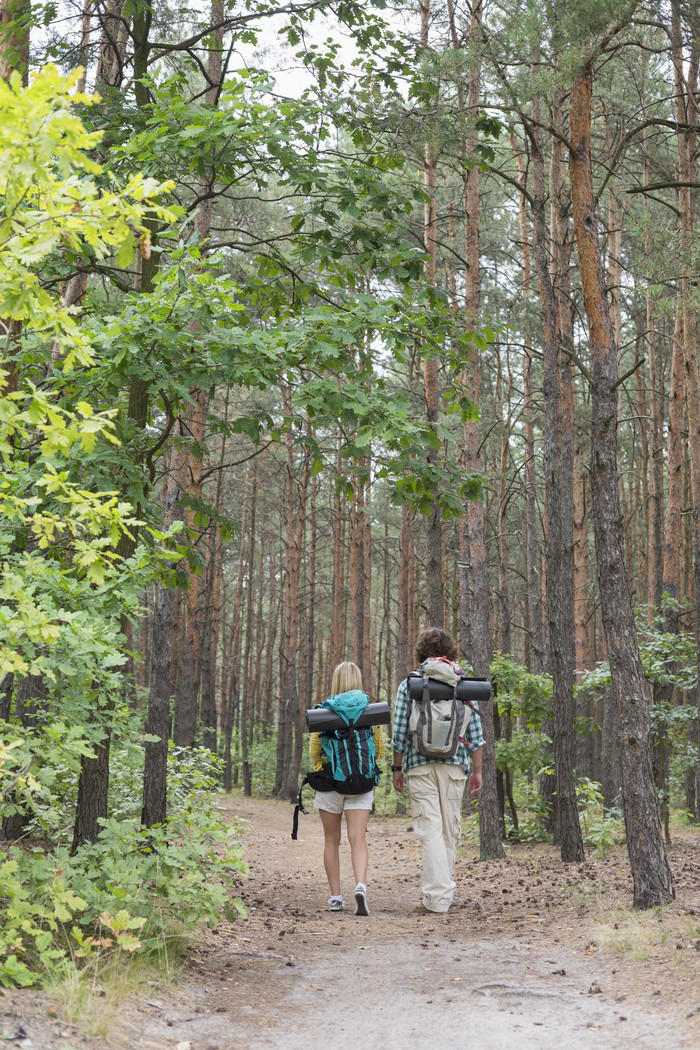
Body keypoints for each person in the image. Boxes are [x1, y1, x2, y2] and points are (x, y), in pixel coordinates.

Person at [390, 627, 484, 914]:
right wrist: (477, 771)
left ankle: (437, 898)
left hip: (419, 765)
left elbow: (399, 730)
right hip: (455, 765)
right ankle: (441, 896)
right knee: (448, 831)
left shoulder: (411, 684)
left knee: (429, 830)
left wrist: (397, 768)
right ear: (451, 650)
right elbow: (476, 733)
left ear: (421, 652)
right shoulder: (463, 682)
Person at [309, 661, 385, 916]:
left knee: (332, 840)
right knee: (358, 839)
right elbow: (380, 751)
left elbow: (314, 751)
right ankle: (360, 886)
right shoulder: (371, 712)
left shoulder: (323, 712)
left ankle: (335, 897)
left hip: (330, 784)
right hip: (362, 785)